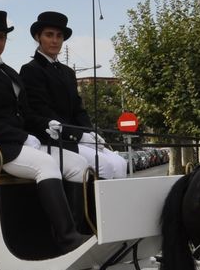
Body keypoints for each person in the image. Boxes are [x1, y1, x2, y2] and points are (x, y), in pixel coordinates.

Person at [0, 9, 88, 252]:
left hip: (16, 143)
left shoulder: (8, 73)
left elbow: (25, 114)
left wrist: (48, 127)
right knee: (44, 164)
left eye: (1, 37)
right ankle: (66, 238)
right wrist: (21, 136)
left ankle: (78, 230)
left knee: (77, 164)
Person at [20, 11, 128, 181]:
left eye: (59, 36)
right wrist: (77, 135)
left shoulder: (68, 72)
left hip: (77, 137)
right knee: (104, 166)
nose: (55, 40)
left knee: (121, 163)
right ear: (38, 37)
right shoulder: (31, 70)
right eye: (49, 35)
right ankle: (93, 208)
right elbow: (42, 110)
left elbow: (78, 109)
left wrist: (90, 132)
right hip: (54, 139)